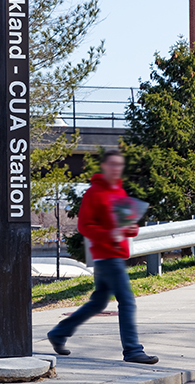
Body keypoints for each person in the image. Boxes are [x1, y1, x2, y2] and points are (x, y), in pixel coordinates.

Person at [47, 149, 159, 364]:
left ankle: (59, 333)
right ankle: (133, 350)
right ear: (104, 167)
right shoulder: (94, 193)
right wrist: (110, 234)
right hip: (106, 256)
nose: (116, 169)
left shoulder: (120, 192)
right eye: (113, 164)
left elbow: (129, 226)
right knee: (127, 301)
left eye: (120, 165)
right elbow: (84, 226)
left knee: (98, 303)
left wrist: (131, 228)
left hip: (117, 255)